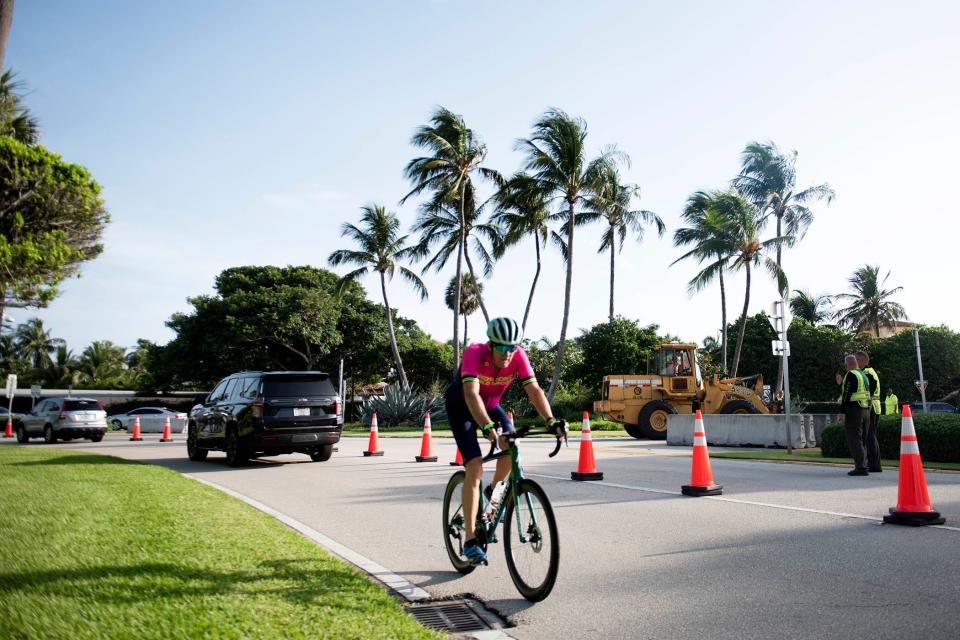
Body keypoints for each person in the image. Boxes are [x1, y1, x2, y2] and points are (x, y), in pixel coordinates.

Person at [444, 317, 566, 566]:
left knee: (512, 446)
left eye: (512, 347)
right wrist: (486, 426)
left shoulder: (518, 355)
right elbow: (471, 393)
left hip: (491, 407)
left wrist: (551, 420)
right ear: (491, 345)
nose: (508, 353)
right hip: (462, 409)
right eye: (503, 348)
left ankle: (493, 494)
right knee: (475, 466)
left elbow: (534, 391)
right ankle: (470, 540)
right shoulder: (474, 353)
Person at [838, 354, 870, 476]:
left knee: (854, 439)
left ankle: (860, 468)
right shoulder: (863, 375)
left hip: (854, 411)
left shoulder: (851, 375)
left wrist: (842, 411)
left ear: (847, 365)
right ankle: (864, 465)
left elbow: (846, 394)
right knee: (862, 440)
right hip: (866, 410)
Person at [855, 351, 882, 473]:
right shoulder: (866, 372)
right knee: (869, 437)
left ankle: (874, 465)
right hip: (870, 407)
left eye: (856, 360)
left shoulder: (867, 373)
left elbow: (870, 392)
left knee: (870, 437)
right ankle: (872, 463)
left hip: (870, 407)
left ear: (862, 361)